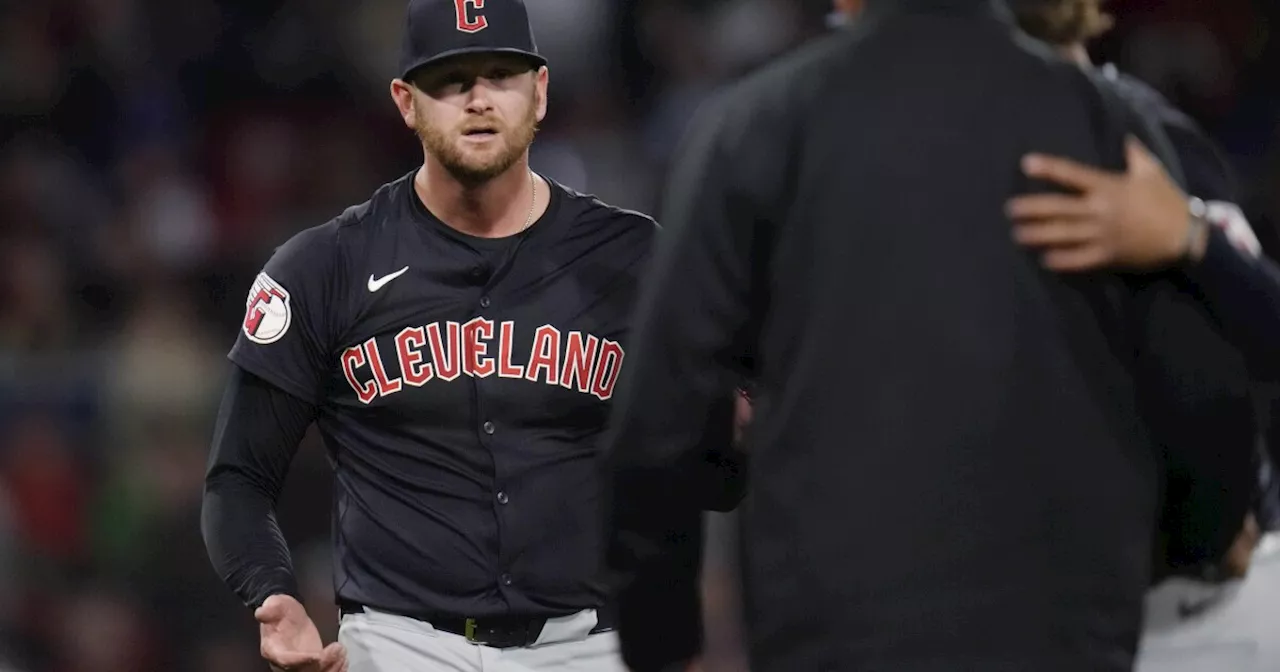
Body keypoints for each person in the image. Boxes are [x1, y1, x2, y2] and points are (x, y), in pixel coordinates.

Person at [601, 0, 1256, 670]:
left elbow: (659, 415)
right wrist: (1192, 539)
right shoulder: (1098, 119)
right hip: (1060, 624)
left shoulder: (759, 125)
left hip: (836, 626)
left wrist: (660, 639)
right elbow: (1204, 391)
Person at [200, 1, 743, 671]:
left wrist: (730, 435)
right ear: (406, 101)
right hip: (399, 646)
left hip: (593, 645)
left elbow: (712, 473)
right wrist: (273, 593)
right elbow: (238, 481)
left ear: (539, 93)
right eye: (452, 80)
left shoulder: (634, 258)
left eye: (502, 76)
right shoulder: (324, 267)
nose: (480, 99)